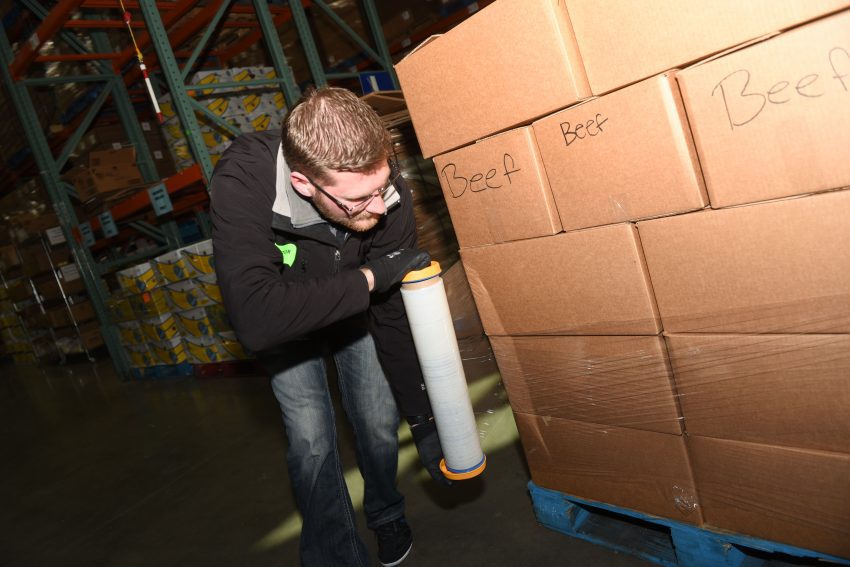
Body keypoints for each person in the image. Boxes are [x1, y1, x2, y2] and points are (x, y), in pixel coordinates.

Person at [209, 86, 448, 567]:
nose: (379, 208)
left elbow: (390, 311)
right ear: (303, 183)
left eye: (381, 189)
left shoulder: (379, 181)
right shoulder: (244, 177)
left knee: (379, 422)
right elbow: (257, 316)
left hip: (351, 311)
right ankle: (334, 555)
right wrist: (372, 276)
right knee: (312, 440)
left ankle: (385, 513)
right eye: (359, 200)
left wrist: (422, 416)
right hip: (285, 321)